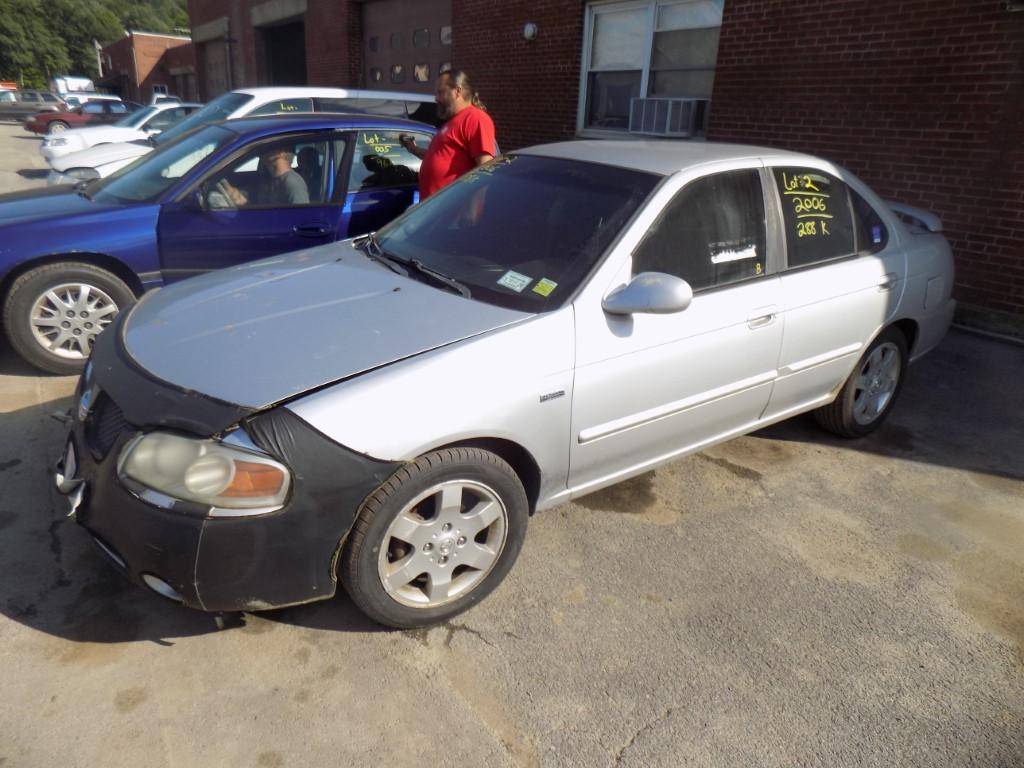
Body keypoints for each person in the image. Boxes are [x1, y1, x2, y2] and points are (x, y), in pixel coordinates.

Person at [399, 69, 496, 199]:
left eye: (440, 92)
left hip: (453, 211)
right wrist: (412, 148)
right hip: (434, 208)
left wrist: (473, 213)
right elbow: (439, 157)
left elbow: (485, 168)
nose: (436, 98)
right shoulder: (452, 121)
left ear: (457, 91)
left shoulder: (475, 118)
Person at [217, 147, 309, 207]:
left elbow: (301, 217)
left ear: (281, 152)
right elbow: (245, 200)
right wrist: (228, 188)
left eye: (267, 149)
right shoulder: (267, 179)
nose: (261, 153)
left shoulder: (292, 183)